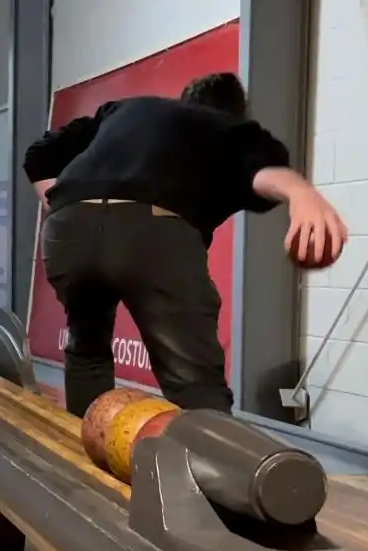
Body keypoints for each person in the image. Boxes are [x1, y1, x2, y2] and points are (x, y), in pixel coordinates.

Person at [24, 72, 347, 418]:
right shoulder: (225, 127)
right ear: (236, 112)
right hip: (149, 232)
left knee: (87, 349)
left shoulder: (123, 110)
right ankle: (212, 467)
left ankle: (82, 453)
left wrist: (60, 202)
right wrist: (301, 192)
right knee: (195, 383)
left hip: (66, 230)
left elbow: (39, 155)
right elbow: (261, 172)